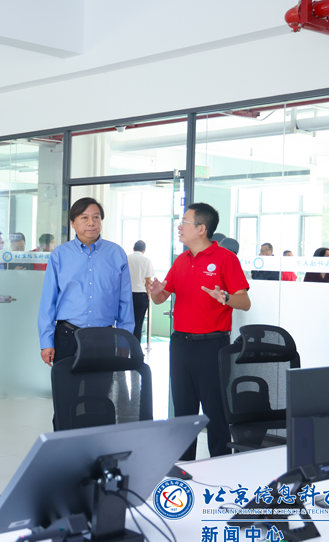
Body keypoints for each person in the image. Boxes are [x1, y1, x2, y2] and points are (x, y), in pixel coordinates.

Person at [150, 203, 250, 460]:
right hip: (180, 344)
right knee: (183, 411)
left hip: (212, 345)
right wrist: (156, 292)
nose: (179, 227)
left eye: (184, 222)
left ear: (201, 229)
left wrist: (225, 297)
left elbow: (244, 302)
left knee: (214, 410)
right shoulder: (181, 260)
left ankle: (220, 462)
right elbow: (162, 298)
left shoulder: (226, 259)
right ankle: (185, 465)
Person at [38, 197, 134, 370]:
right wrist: (46, 341)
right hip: (67, 336)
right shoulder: (59, 255)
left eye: (96, 217)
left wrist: (124, 341)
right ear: (73, 223)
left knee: (102, 386)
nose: (91, 223)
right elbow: (48, 302)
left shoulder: (116, 254)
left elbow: (125, 301)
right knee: (66, 385)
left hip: (105, 337)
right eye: (84, 217)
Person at [126, 240, 154, 344]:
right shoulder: (147, 260)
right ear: (144, 250)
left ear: (133, 248)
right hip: (141, 295)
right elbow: (148, 281)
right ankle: (136, 347)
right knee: (138, 323)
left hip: (127, 295)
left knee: (125, 322)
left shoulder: (126, 258)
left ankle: (124, 347)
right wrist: (148, 296)